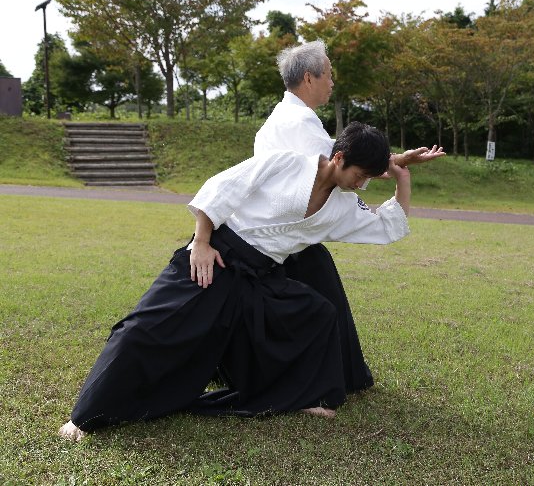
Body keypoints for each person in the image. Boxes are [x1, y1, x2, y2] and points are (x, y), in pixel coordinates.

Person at [59, 122, 411, 442]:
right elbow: (222, 188)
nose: (362, 184)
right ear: (339, 157)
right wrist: (200, 243)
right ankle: (86, 416)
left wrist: (401, 177)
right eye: (360, 175)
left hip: (261, 276)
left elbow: (387, 226)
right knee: (146, 329)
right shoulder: (288, 163)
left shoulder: (344, 205)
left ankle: (303, 396)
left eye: (368, 179)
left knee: (317, 313)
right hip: (216, 256)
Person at [253, 40, 444, 394]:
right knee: (321, 308)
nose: (333, 81)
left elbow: (341, 157)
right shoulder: (297, 123)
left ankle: (345, 375)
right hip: (282, 241)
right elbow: (339, 161)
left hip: (293, 237)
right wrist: (397, 165)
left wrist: (395, 161)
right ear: (309, 78)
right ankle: (332, 379)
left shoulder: (291, 119)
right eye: (330, 74)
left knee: (326, 297)